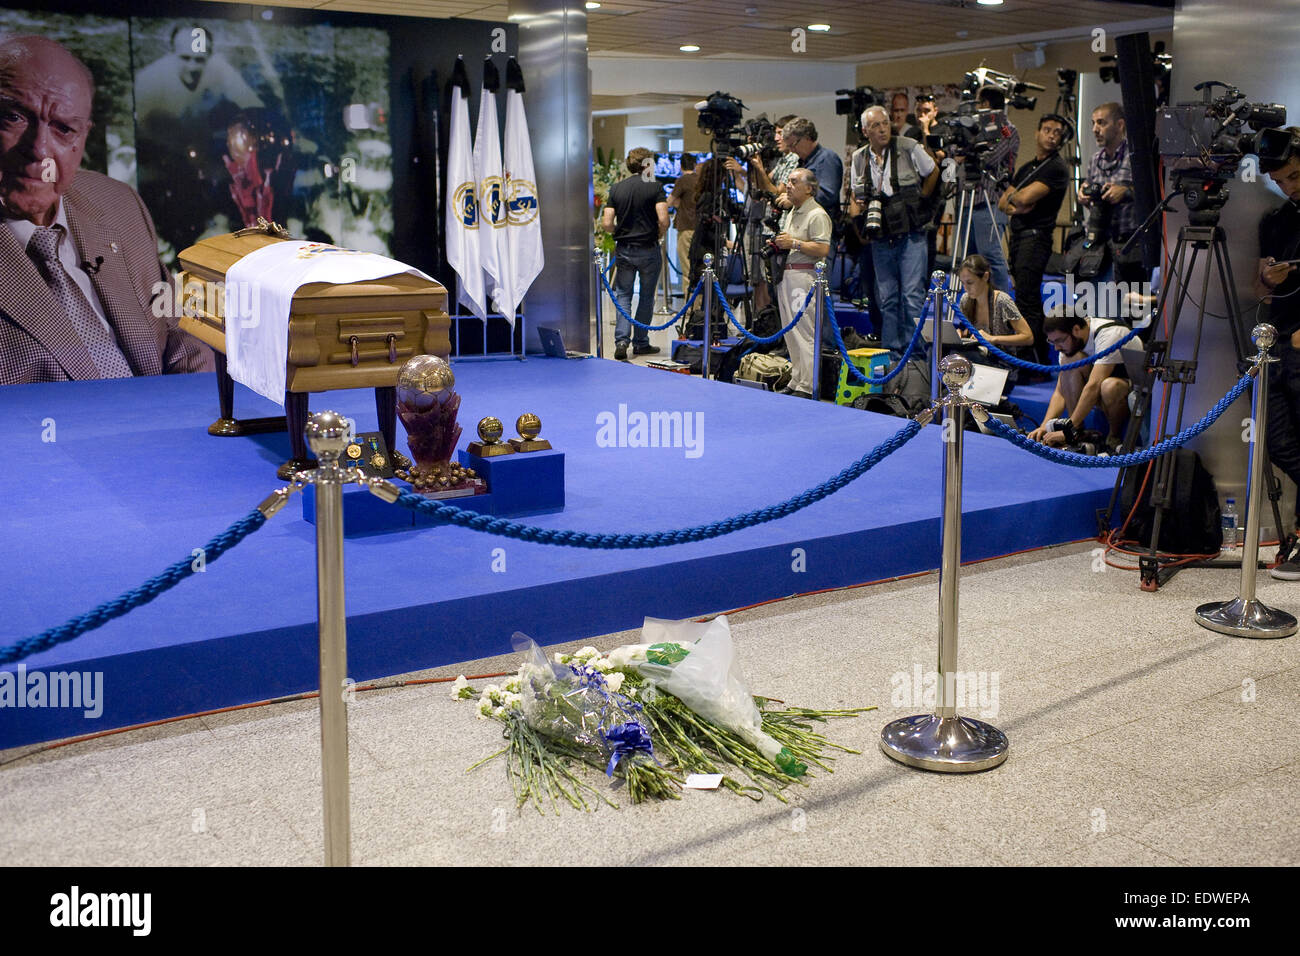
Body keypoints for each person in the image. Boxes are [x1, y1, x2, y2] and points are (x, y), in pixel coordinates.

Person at [0, 35, 211, 385]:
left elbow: (180, 330)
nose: (39, 149)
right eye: (13, 117)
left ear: (83, 137)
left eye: (63, 128)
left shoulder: (116, 202)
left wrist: (191, 416)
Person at [849, 105, 939, 355]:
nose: (882, 130)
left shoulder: (909, 147)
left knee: (911, 295)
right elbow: (856, 195)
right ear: (866, 131)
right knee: (887, 297)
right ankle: (892, 353)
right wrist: (860, 225)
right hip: (881, 236)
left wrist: (921, 200)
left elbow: (933, 172)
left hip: (912, 233)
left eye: (885, 123)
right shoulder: (859, 157)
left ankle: (917, 355)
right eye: (876, 126)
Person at [1255, 128, 1300, 578]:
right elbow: (1258, 288)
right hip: (1279, 343)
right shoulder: (1276, 220)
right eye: (1282, 180)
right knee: (1279, 441)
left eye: (1295, 176)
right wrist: (1269, 279)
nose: (1290, 186)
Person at [1000, 113, 1069, 364]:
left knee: (1028, 299)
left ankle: (1034, 360)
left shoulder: (1057, 167)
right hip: (1018, 237)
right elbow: (1003, 204)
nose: (1052, 135)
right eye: (1048, 129)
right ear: (1037, 132)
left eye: (1057, 132)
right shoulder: (1027, 167)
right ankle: (1025, 355)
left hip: (1036, 238)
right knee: (1021, 297)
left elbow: (1020, 199)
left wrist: (1018, 201)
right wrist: (1018, 203)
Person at [1028, 307, 1133, 450]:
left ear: (1076, 329)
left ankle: (1114, 437)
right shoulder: (1068, 345)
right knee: (1070, 360)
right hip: (1100, 393)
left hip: (1129, 391)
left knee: (1109, 386)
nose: (1056, 348)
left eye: (1059, 341)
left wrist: (1067, 428)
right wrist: (1044, 426)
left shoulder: (1109, 334)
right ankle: (1078, 433)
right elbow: (1060, 392)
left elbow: (1094, 386)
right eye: (1052, 342)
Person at [601, 147, 667, 361]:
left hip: (624, 250)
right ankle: (641, 342)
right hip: (648, 248)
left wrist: (619, 232)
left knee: (623, 295)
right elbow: (664, 219)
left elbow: (607, 223)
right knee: (647, 297)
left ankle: (621, 341)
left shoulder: (617, 188)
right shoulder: (655, 187)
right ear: (647, 164)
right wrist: (658, 232)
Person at [770, 168, 832, 399]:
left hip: (804, 276)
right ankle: (798, 379)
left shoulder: (817, 214)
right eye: (788, 181)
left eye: (794, 182)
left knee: (804, 330)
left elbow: (823, 248)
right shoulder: (793, 211)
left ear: (809, 188)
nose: (788, 185)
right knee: (791, 331)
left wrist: (794, 244)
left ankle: (807, 385)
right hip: (787, 274)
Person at [1080, 101, 1145, 284]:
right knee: (1101, 305)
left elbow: (1151, 195)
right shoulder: (1095, 160)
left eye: (1101, 123)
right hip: (1099, 243)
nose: (1095, 129)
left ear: (1120, 125)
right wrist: (1083, 194)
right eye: (1093, 123)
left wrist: (1125, 191)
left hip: (1128, 243)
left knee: (1130, 306)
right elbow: (1089, 188)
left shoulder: (1135, 157)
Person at [964, 87, 1018, 294]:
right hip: (968, 200)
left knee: (991, 256)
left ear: (986, 104)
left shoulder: (1006, 129)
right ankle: (974, 306)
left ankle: (1001, 306)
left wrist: (971, 150)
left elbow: (990, 157)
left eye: (978, 103)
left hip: (992, 200)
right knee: (969, 260)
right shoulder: (974, 129)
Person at [954, 253, 1033, 384]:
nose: (965, 288)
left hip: (1003, 365)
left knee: (964, 358)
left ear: (985, 276)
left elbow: (1028, 337)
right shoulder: (965, 300)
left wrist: (993, 339)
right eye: (963, 283)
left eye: (970, 282)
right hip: (978, 360)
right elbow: (964, 330)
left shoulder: (1002, 300)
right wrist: (959, 335)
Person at [667, 153, 699, 284]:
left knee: (687, 269)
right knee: (699, 267)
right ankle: (700, 302)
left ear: (681, 166)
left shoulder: (682, 180)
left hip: (686, 226)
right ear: (695, 165)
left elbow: (670, 201)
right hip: (700, 227)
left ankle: (689, 302)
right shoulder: (701, 179)